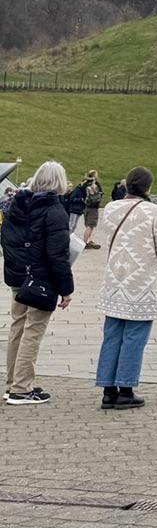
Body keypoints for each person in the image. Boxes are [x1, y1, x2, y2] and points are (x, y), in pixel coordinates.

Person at [96, 167, 157, 410]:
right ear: (148, 187)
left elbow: (106, 236)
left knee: (112, 335)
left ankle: (108, 389)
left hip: (115, 280)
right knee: (134, 337)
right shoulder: (154, 212)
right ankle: (126, 389)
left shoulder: (110, 208)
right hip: (142, 282)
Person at [2, 160, 75, 404]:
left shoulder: (16, 204)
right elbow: (58, 254)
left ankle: (12, 382)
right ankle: (21, 388)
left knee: (18, 327)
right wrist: (66, 289)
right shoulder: (54, 210)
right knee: (33, 330)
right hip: (40, 279)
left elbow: (8, 240)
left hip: (18, 275)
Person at [80, 169, 104, 249]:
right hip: (93, 207)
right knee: (90, 225)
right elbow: (100, 193)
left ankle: (89, 240)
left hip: (86, 206)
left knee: (87, 224)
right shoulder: (95, 183)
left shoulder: (85, 183)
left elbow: (81, 192)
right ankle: (84, 242)